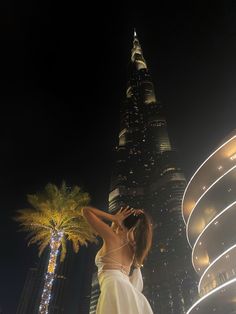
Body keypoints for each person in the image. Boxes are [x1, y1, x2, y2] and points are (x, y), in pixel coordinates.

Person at [82, 205, 154, 314]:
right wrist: (115, 222)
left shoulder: (111, 237)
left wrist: (112, 217)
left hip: (113, 288)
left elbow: (85, 211)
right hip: (127, 292)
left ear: (120, 222)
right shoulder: (133, 250)